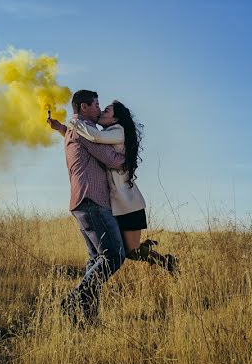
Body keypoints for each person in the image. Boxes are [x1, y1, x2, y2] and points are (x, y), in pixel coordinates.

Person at [50, 99, 177, 274]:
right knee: (125, 252)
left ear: (116, 118)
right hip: (117, 205)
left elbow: (94, 138)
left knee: (129, 252)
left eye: (107, 110)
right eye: (101, 108)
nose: (101, 111)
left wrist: (73, 122)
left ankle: (167, 261)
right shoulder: (109, 133)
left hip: (129, 204)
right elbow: (84, 141)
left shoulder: (118, 131)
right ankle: (164, 259)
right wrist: (61, 129)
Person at [54, 89, 128, 327]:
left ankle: (86, 318)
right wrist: (129, 156)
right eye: (96, 105)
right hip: (92, 200)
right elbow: (112, 159)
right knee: (114, 255)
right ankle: (74, 300)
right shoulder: (86, 131)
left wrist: (59, 128)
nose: (99, 109)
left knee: (96, 258)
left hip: (82, 202)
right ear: (84, 108)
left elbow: (74, 138)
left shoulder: (73, 130)